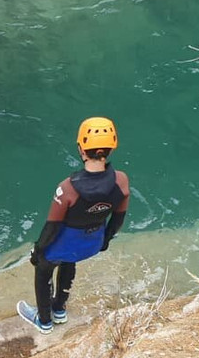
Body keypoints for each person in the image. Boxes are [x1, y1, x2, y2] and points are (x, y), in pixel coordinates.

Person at [17, 117, 129, 334]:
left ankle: (44, 320)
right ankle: (59, 308)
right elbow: (118, 219)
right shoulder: (122, 181)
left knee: (44, 269)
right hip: (91, 244)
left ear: (81, 149)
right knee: (70, 260)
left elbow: (52, 227)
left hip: (63, 244)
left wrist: (37, 251)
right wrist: (104, 241)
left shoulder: (67, 188)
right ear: (111, 150)